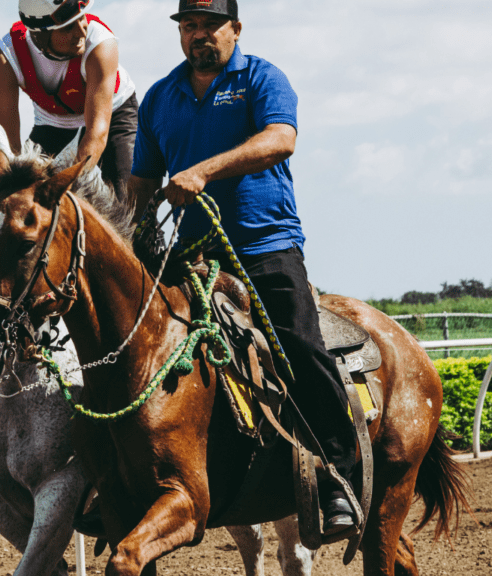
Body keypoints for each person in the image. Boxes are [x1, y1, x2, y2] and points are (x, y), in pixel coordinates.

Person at [127, 0, 358, 536]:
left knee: (297, 345)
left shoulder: (261, 78)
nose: (198, 35)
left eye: (210, 25)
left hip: (264, 247)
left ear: (236, 29)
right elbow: (140, 182)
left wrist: (203, 172)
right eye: (189, 26)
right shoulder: (160, 96)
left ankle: (339, 477)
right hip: (188, 257)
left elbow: (281, 139)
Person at [0, 0, 138, 209]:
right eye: (68, 27)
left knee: (125, 200)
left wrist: (65, 187)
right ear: (39, 35)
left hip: (113, 113)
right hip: (53, 121)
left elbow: (96, 135)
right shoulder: (5, 58)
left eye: (82, 18)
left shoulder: (101, 44)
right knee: (19, 197)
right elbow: (10, 146)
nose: (81, 31)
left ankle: (145, 239)